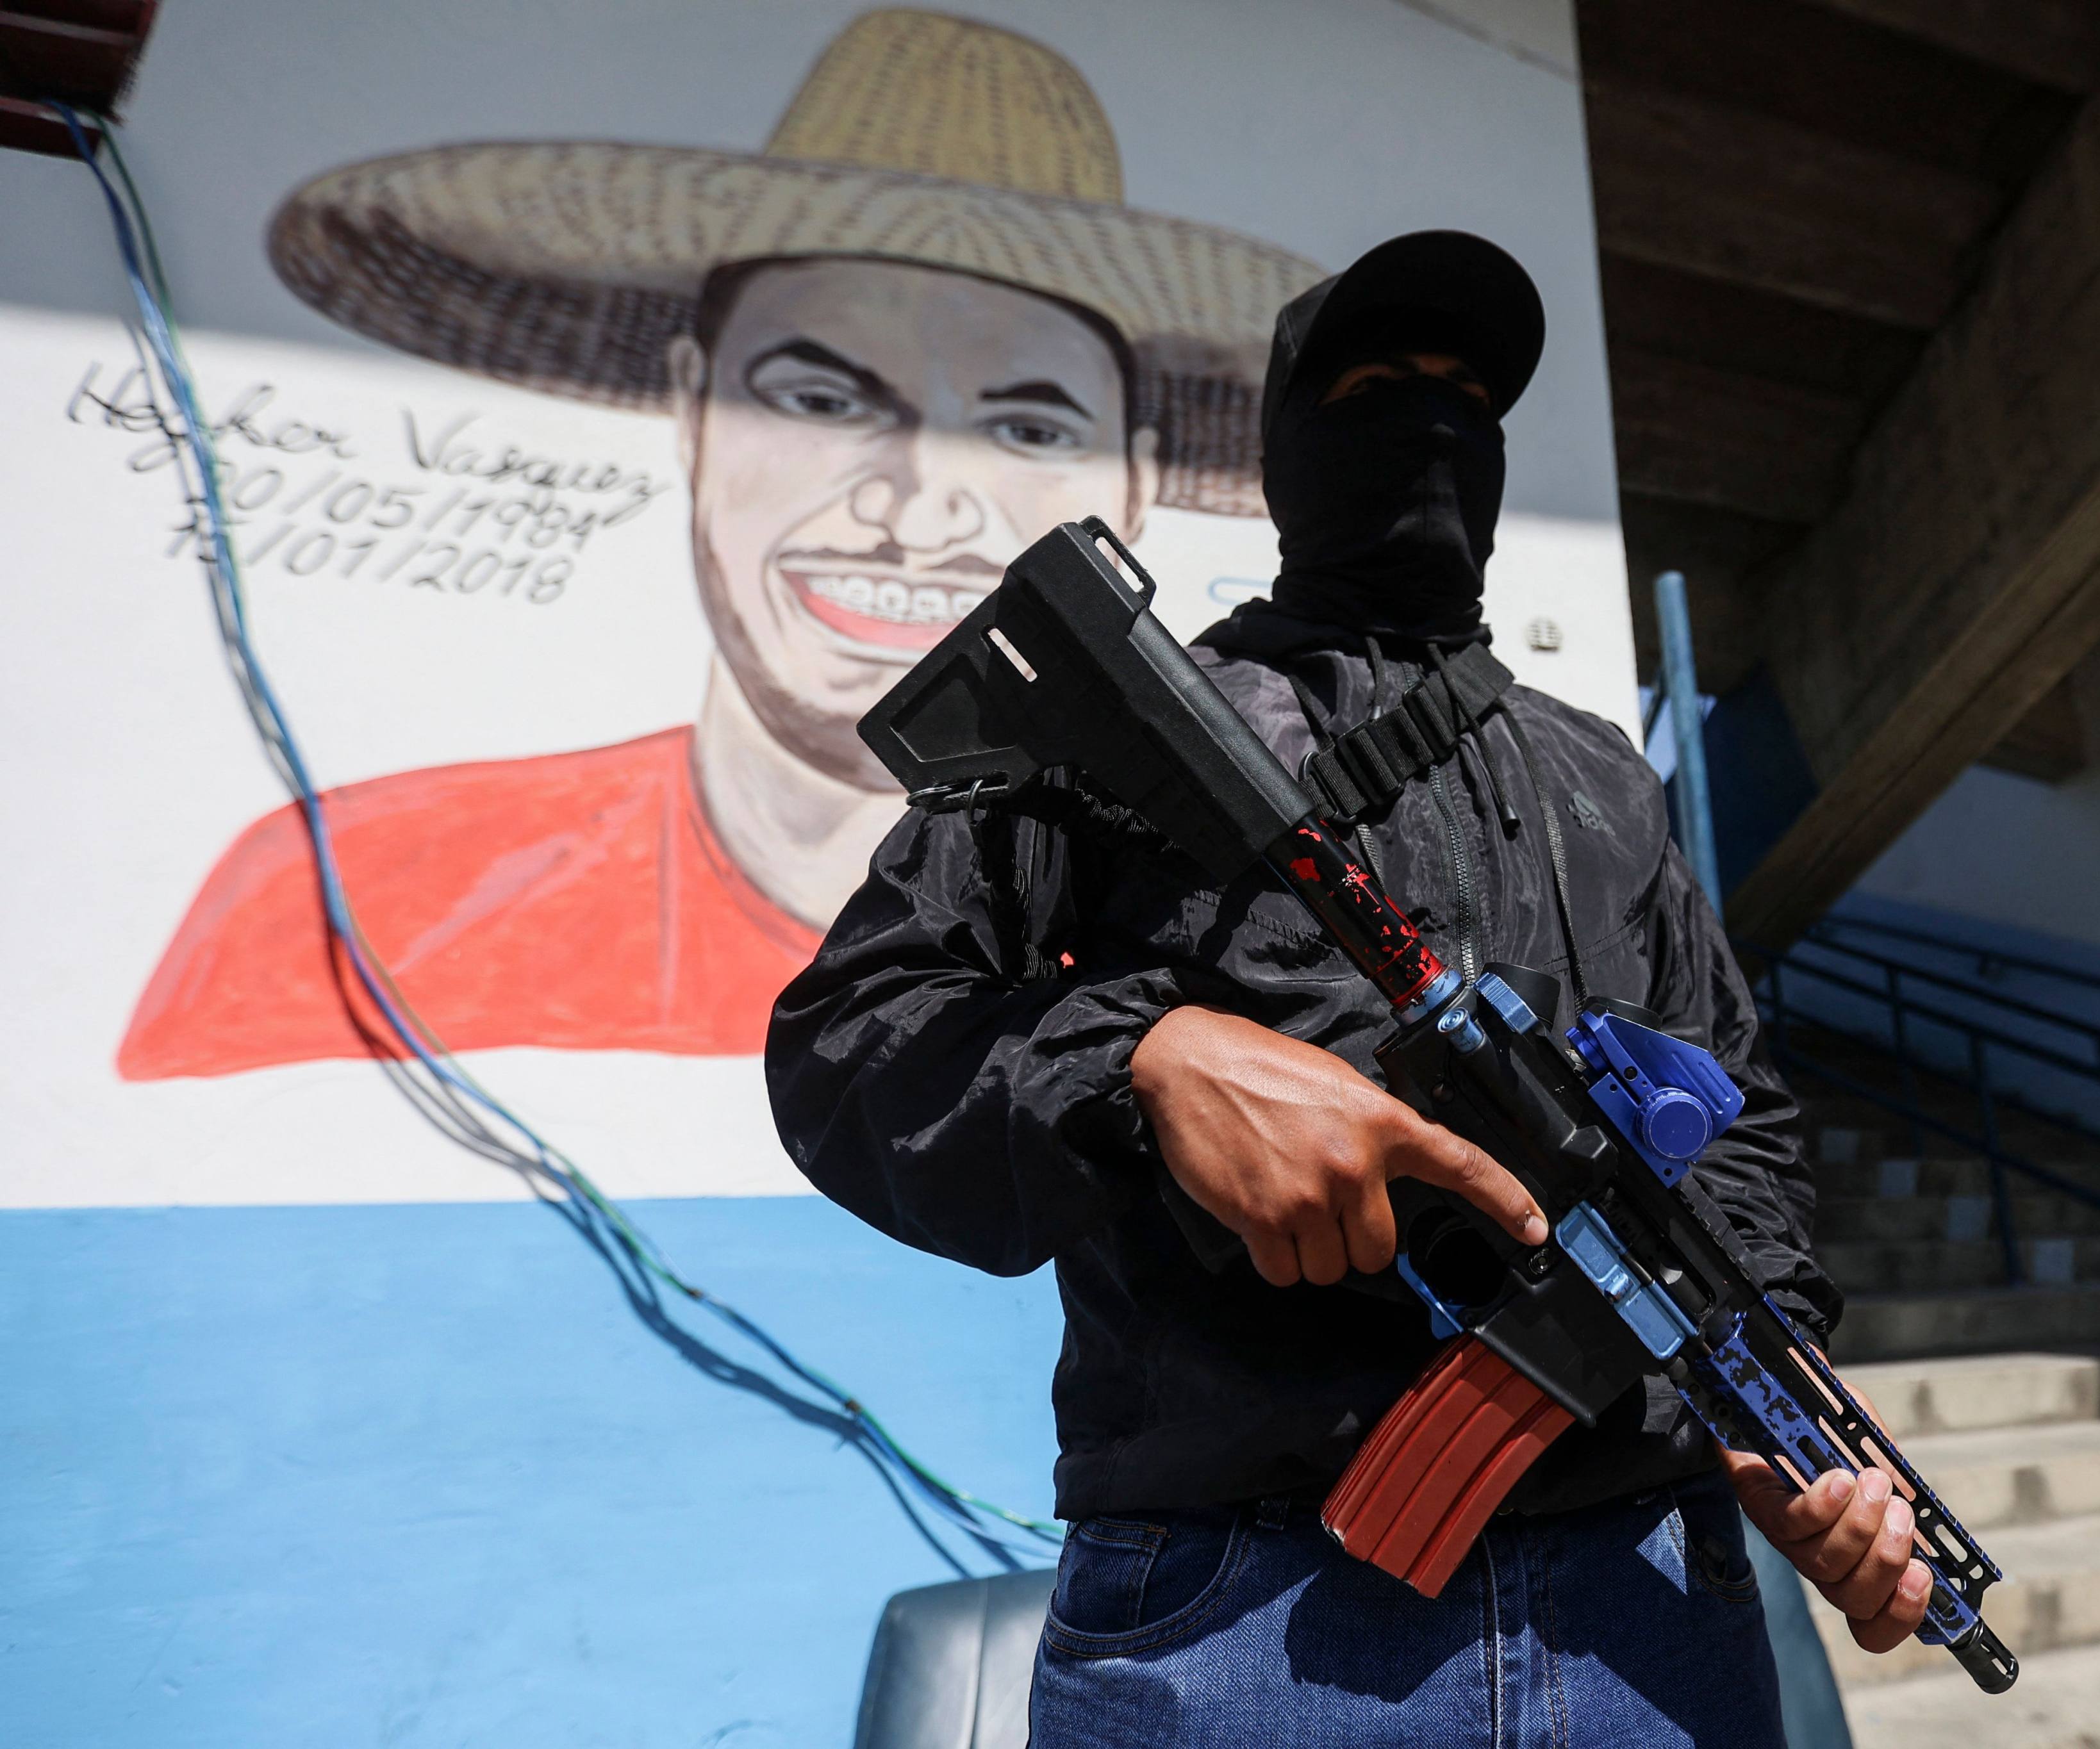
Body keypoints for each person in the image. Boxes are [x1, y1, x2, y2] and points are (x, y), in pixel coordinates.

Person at [767, 231, 1930, 1745]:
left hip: (1655, 1615)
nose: (1435, 425)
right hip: (1251, 1626)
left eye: (1470, 399)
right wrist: (1146, 1061)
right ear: (1288, 447)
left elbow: (1741, 1120)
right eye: (1382, 385)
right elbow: (850, 1043)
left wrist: (1783, 1388)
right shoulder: (1127, 735)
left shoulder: (1601, 777)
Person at [116, 9, 1321, 1080]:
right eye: (820, 398)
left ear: (1134, 479)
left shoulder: (1225, 932)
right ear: (692, 411)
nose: (918, 510)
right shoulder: (342, 909)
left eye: (1027, 424)